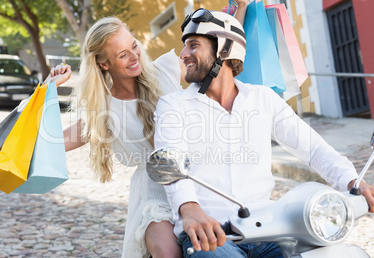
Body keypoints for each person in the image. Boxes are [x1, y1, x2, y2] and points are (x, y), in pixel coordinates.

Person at [153, 8, 374, 257]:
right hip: (208, 233)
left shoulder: (263, 99)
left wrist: (351, 180)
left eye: (193, 45)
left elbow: (312, 148)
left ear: (224, 50)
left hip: (267, 229)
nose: (183, 55)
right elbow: (169, 159)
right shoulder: (173, 105)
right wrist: (188, 207)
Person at [43, 2, 249, 257]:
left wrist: (242, 8)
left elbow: (219, 53)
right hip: (154, 195)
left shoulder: (166, 68)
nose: (134, 56)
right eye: (122, 55)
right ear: (104, 64)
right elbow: (50, 142)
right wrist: (46, 91)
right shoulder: (103, 110)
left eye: (134, 46)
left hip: (199, 181)